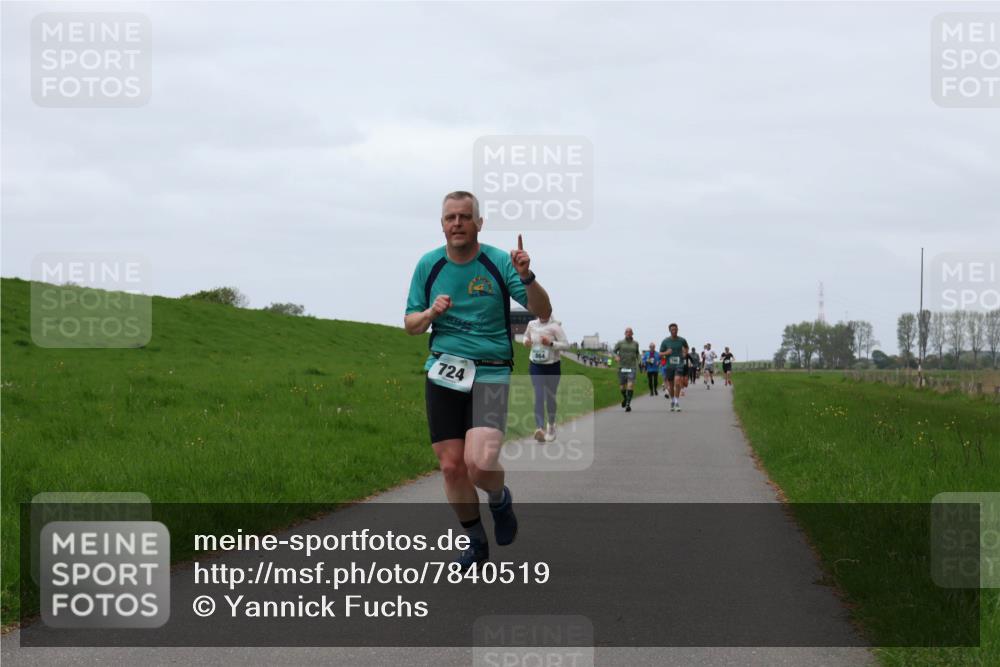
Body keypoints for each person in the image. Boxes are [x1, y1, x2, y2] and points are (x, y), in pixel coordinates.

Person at [405, 191, 552, 572]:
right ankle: (475, 542)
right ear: (442, 224)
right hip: (444, 370)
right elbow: (410, 325)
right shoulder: (428, 265)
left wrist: (526, 276)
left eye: (465, 217)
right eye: (450, 217)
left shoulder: (498, 261)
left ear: (479, 223)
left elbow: (543, 310)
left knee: (480, 464)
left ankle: (500, 499)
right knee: (452, 467)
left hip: (490, 371)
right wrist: (429, 312)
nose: (457, 223)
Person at [523, 314, 570, 442]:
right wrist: (526, 341)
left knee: (550, 397)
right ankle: (539, 428)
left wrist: (551, 343)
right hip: (535, 365)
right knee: (539, 395)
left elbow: (566, 345)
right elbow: (525, 336)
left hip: (552, 366)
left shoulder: (555, 326)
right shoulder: (531, 324)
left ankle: (551, 424)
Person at [659, 323, 689, 412]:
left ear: (677, 330)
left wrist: (684, 353)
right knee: (671, 386)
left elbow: (687, 347)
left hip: (679, 364)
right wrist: (666, 353)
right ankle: (672, 400)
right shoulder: (665, 341)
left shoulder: (682, 340)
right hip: (669, 366)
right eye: (672, 329)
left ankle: (676, 402)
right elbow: (660, 353)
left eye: (675, 329)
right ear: (670, 331)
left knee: (677, 381)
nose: (674, 331)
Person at [613, 328, 641, 412]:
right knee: (622, 387)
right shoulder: (620, 343)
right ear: (625, 333)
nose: (628, 333)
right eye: (627, 332)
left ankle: (628, 404)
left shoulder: (635, 343)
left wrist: (639, 360)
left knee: (630, 385)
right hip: (622, 367)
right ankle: (625, 398)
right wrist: (616, 356)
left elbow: (637, 353)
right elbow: (614, 351)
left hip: (632, 367)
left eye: (630, 332)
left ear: (632, 333)